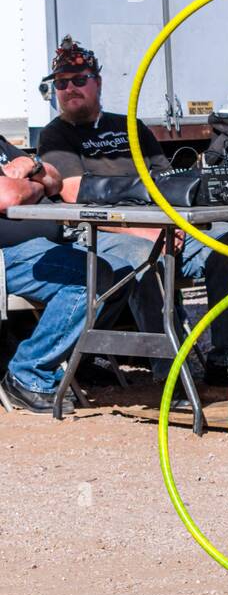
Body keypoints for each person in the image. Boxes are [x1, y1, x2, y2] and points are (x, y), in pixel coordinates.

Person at [35, 38, 228, 390]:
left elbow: (167, 183)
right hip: (99, 233)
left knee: (227, 237)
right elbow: (72, 196)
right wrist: (141, 230)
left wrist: (175, 223)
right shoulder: (56, 135)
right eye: (61, 83)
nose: (69, 88)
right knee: (145, 256)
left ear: (97, 82)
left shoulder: (129, 126)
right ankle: (170, 372)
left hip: (160, 224)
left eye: (79, 79)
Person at [0, 134, 113, 415]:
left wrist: (31, 165)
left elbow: (55, 180)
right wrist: (35, 188)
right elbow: (8, 197)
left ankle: (79, 363)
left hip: (51, 245)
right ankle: (28, 373)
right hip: (6, 257)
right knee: (92, 276)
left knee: (123, 267)